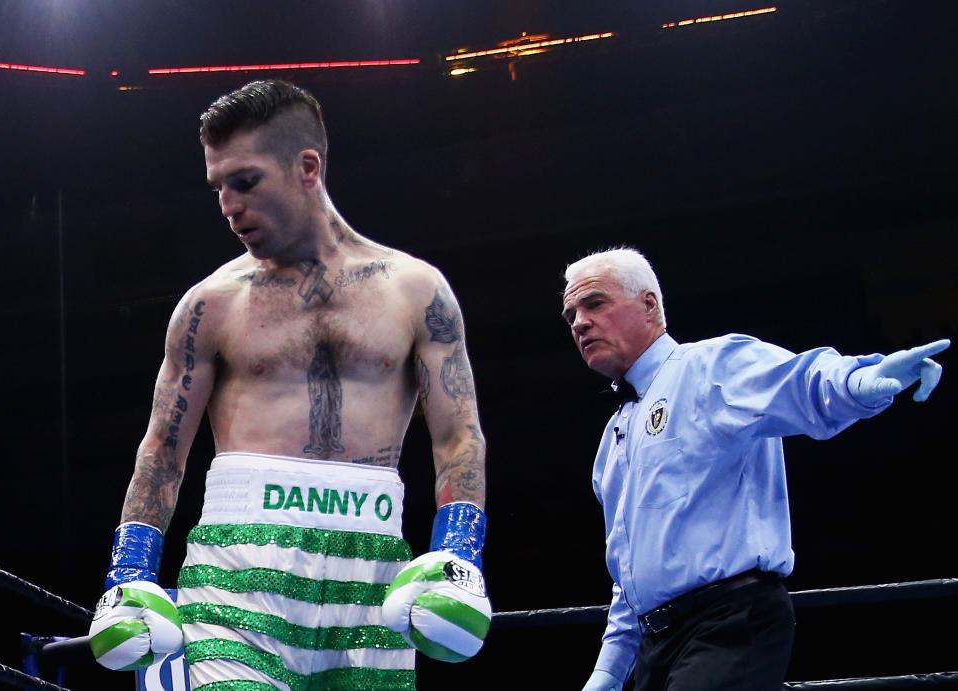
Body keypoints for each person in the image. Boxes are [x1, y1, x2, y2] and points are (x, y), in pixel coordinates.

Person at [86, 79, 492, 690]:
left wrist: (460, 555)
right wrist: (130, 573)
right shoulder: (211, 305)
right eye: (218, 186)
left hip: (372, 573)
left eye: (244, 182)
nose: (228, 205)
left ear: (307, 167)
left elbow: (459, 436)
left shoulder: (416, 291)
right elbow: (162, 452)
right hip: (238, 568)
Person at [561, 248, 948, 691]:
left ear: (649, 305)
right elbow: (630, 569)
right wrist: (608, 671)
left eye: (594, 303)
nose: (579, 323)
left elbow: (801, 381)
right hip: (655, 644)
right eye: (571, 313)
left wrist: (861, 380)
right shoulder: (613, 442)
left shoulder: (710, 367)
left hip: (728, 622)